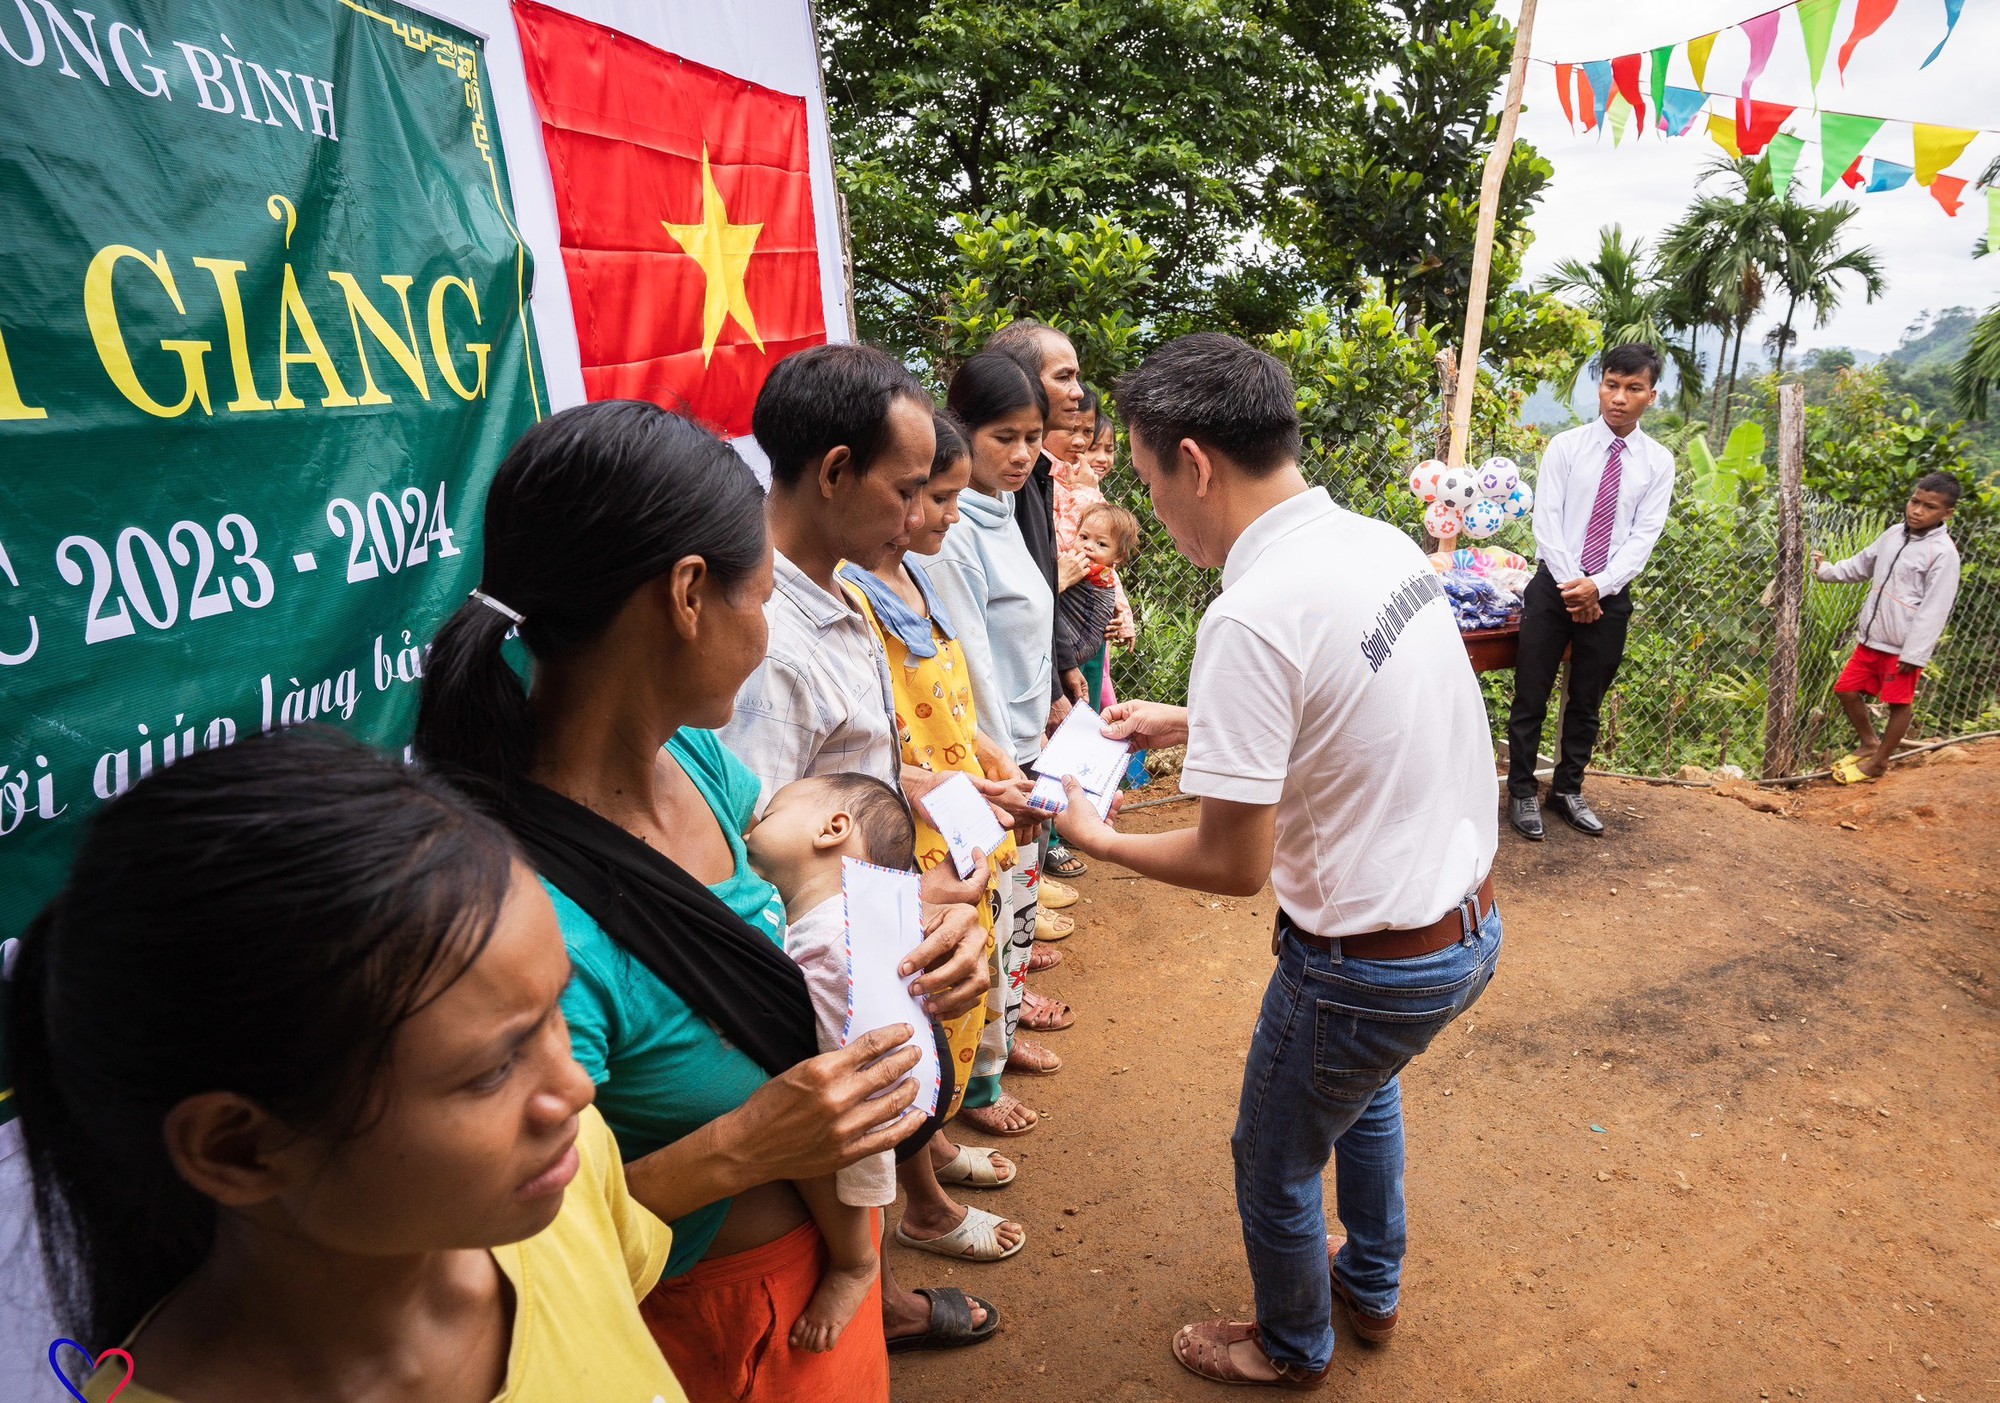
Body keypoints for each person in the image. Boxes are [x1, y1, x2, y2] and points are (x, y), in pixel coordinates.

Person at [414, 399, 998, 1392]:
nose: (766, 633)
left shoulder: (692, 760)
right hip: (701, 1329)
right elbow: (509, 1240)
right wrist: (743, 1146)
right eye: (761, 598)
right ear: (688, 595)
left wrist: (920, 933)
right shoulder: (525, 923)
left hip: (817, 1282)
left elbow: (795, 911)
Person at [9, 726, 720, 1403]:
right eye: (494, 1069)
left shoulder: (565, 1181)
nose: (576, 1086)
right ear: (239, 1146)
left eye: (555, 1010)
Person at [1052, 334, 1502, 1388]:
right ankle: (1372, 1283)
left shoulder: (1248, 612)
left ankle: (1290, 1342)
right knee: (1362, 1093)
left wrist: (1098, 837)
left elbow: (1230, 862)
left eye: (1152, 480)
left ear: (1195, 462)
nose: (1152, 512)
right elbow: (1341, 698)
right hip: (1460, 924)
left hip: (1361, 961)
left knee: (1274, 1158)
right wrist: (1193, 720)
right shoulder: (1372, 543)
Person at [721, 346, 1031, 1274]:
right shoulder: (767, 644)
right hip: (824, 960)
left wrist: (941, 791)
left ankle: (905, 1204)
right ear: (833, 474)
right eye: (906, 491)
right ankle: (871, 1273)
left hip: (872, 915)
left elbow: (854, 759)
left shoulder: (842, 589)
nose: (920, 514)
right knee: (849, 1148)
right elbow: (758, 854)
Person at [743, 772, 1004, 1354]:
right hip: (892, 1084)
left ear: (832, 829)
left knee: (846, 1185)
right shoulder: (852, 919)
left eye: (770, 813)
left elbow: (851, 1070)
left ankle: (856, 1266)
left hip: (857, 1105)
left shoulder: (830, 940)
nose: (753, 821)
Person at [841, 415, 1055, 1109]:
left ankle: (950, 1126)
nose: (948, 515)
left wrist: (997, 765)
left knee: (972, 982)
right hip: (919, 837)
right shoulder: (851, 599)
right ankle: (927, 1173)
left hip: (965, 825)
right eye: (934, 497)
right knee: (923, 1007)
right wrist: (966, 784)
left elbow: (958, 708)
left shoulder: (915, 576)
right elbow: (872, 753)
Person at [922, 352, 1077, 1135]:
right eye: (1003, 437)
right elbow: (970, 658)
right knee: (989, 915)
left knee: (1011, 914)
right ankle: (974, 1088)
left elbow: (1024, 624)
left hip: (1016, 744)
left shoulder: (1005, 509)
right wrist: (1000, 760)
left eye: (1032, 438)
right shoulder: (955, 530)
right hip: (986, 759)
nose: (1020, 455)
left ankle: (995, 1053)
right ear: (961, 430)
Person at [1504, 342, 1675, 842]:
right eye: (1611, 384)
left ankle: (1567, 789)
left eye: (1633, 388)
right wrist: (1573, 586)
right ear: (1600, 387)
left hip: (1611, 595)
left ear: (1651, 396)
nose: (1619, 397)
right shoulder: (1566, 447)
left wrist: (1598, 587)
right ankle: (1520, 792)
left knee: (1586, 700)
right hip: (1552, 587)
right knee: (1530, 694)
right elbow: (1547, 522)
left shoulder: (1657, 462)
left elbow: (1644, 535)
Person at [987, 319, 1095, 895]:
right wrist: (1053, 687)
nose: (1078, 391)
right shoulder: (995, 490)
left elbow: (1035, 585)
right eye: (1065, 376)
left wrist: (1061, 668)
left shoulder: (1032, 476)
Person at [1815, 471, 1962, 783]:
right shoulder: (1894, 533)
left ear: (1947, 513)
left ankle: (1880, 761)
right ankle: (1869, 743)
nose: (1917, 511)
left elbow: (1936, 607)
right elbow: (1860, 565)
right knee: (1845, 690)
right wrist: (1825, 570)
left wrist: (1916, 652)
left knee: (1898, 703)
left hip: (1902, 647)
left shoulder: (1944, 554)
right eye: (1914, 501)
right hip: (1871, 638)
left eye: (1929, 507)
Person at [1055, 503, 1141, 691]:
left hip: (1091, 648)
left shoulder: (1105, 579)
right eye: (1083, 537)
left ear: (1118, 556)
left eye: (1101, 544)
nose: (1088, 546)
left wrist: (1118, 618)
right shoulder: (1065, 563)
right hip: (1063, 650)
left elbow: (1109, 597)